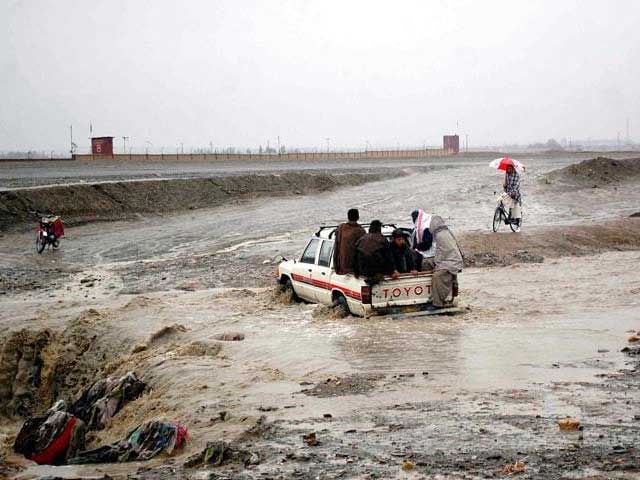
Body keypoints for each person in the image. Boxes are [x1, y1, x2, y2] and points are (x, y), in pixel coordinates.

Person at [410, 210, 463, 310]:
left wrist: (416, 247)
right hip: (443, 260)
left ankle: (437, 303)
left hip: (446, 262)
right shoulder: (442, 233)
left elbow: (429, 246)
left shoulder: (436, 234)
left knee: (436, 276)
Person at [333, 208, 366, 275]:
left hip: (340, 266)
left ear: (348, 217)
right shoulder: (361, 231)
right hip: (354, 268)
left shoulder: (341, 228)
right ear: (358, 217)